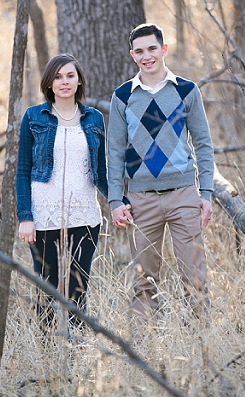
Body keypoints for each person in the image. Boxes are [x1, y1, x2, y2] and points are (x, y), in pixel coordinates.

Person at [108, 23, 214, 318]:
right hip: (141, 199)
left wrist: (205, 193)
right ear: (132, 56)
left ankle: (203, 348)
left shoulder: (186, 91)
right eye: (139, 51)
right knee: (144, 281)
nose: (147, 56)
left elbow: (203, 144)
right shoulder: (124, 96)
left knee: (195, 278)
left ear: (163, 49)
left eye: (152, 49)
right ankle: (145, 349)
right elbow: (114, 151)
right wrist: (116, 201)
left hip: (183, 196)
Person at [16, 53, 108, 330]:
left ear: (79, 81)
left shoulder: (94, 119)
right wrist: (25, 217)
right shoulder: (34, 117)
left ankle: (77, 355)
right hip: (44, 215)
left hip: (84, 215)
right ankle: (47, 357)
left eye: (70, 75)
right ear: (50, 83)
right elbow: (22, 171)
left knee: (78, 290)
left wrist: (119, 201)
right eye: (58, 76)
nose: (64, 81)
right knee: (47, 287)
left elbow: (100, 172)